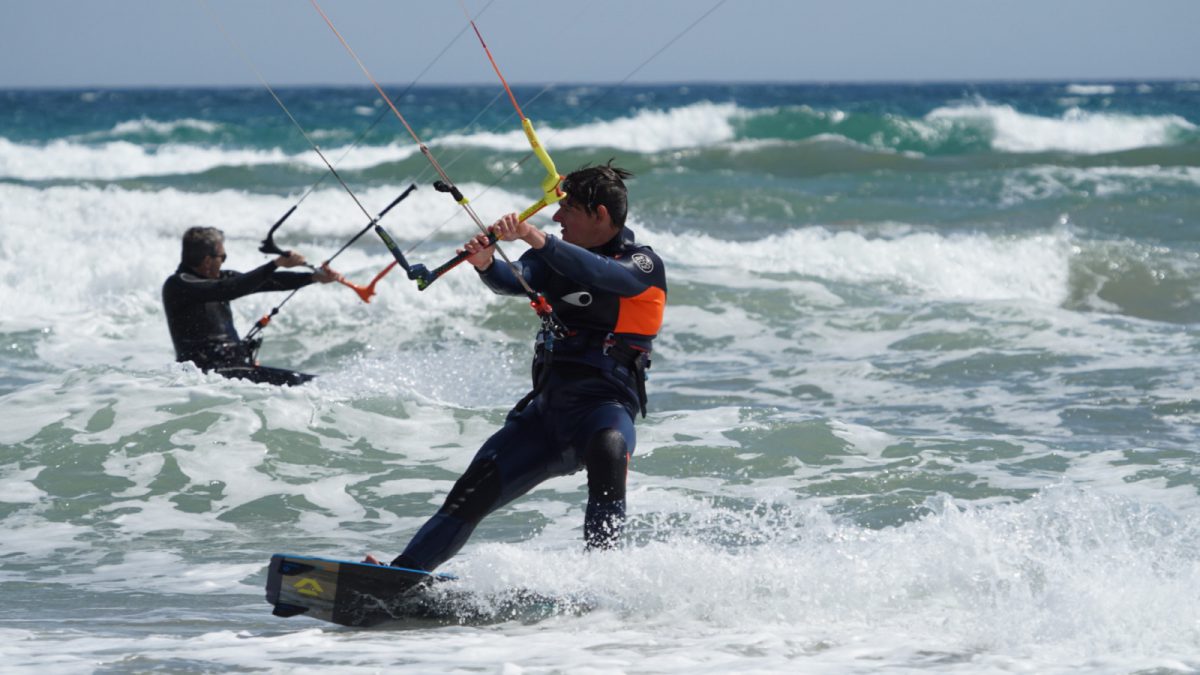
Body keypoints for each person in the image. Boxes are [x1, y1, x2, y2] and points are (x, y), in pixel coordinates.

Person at [366, 162, 666, 572]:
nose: (557, 217)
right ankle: (401, 576)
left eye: (568, 210)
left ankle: (602, 581)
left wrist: (534, 236)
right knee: (471, 491)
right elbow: (516, 277)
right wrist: (488, 264)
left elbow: (603, 274)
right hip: (544, 416)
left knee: (609, 448)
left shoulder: (642, 264)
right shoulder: (551, 257)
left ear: (599, 215)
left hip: (602, 411)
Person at [162, 226, 344, 386]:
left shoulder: (219, 279)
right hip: (206, 375)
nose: (223, 261)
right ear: (208, 260)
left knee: (309, 383)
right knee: (303, 383)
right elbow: (228, 289)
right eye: (222, 256)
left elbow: (266, 282)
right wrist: (276, 264)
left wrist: (312, 278)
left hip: (235, 371)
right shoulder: (180, 285)